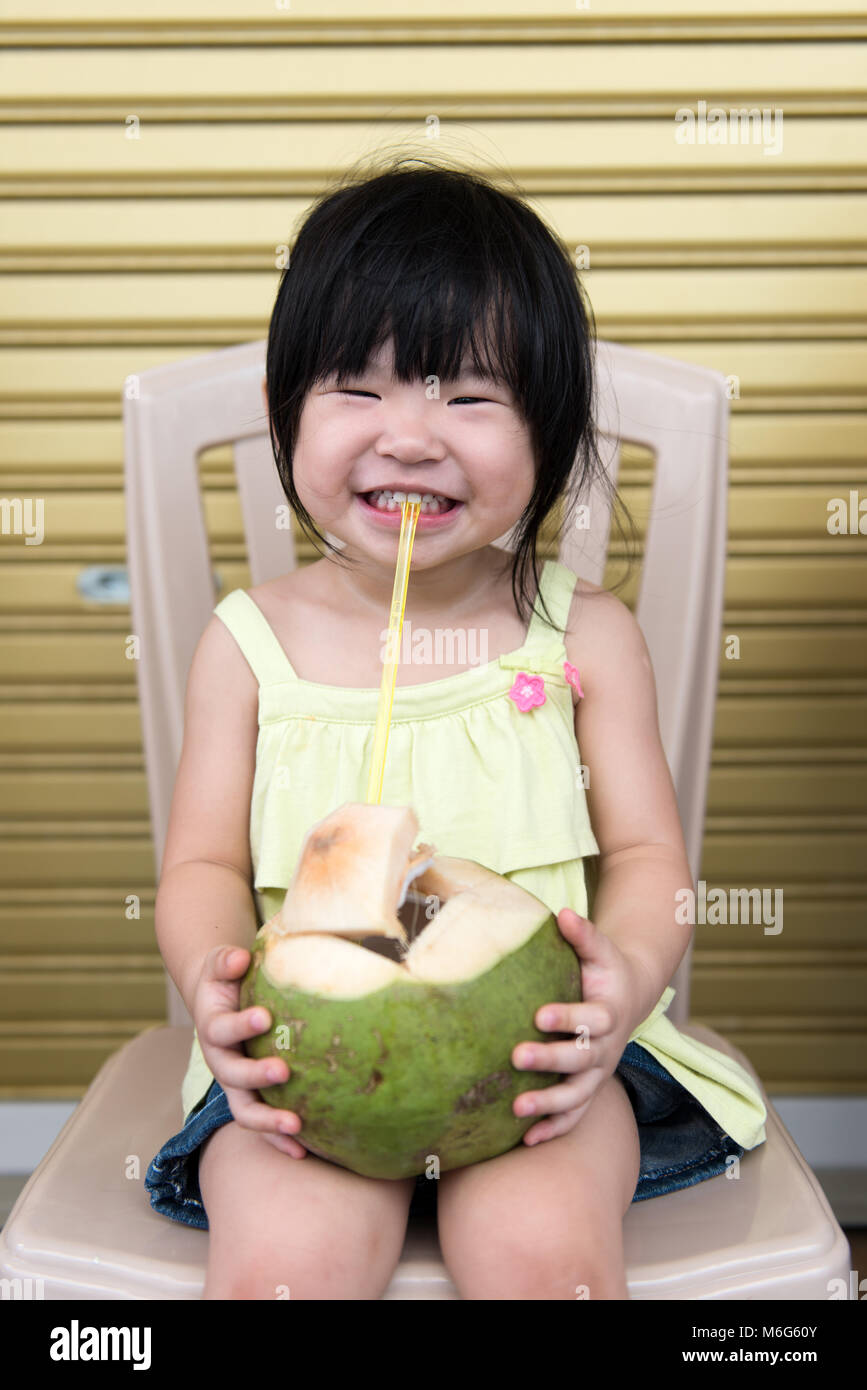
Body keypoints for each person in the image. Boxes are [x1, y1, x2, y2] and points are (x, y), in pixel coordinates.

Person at [144, 152, 767, 1300]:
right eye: (358, 387)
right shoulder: (247, 643)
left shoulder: (584, 636)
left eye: (469, 396)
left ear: (551, 434)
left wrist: (621, 982)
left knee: (543, 1265)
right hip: (307, 1069)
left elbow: (648, 862)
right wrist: (213, 988)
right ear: (287, 411)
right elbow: (197, 865)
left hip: (541, 1071)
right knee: (284, 1269)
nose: (412, 435)